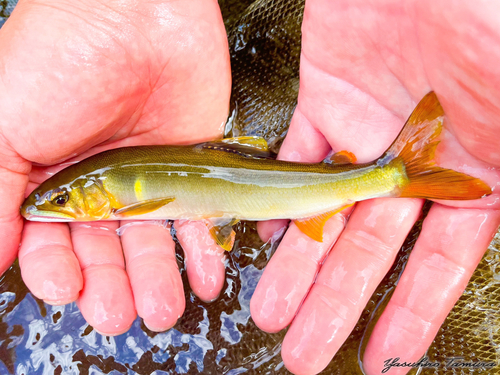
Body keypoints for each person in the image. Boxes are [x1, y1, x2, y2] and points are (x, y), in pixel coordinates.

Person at [0, 0, 498, 374]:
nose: (50, 206)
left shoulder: (120, 191)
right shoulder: (110, 179)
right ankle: (396, 176)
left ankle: (396, 175)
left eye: (62, 199)